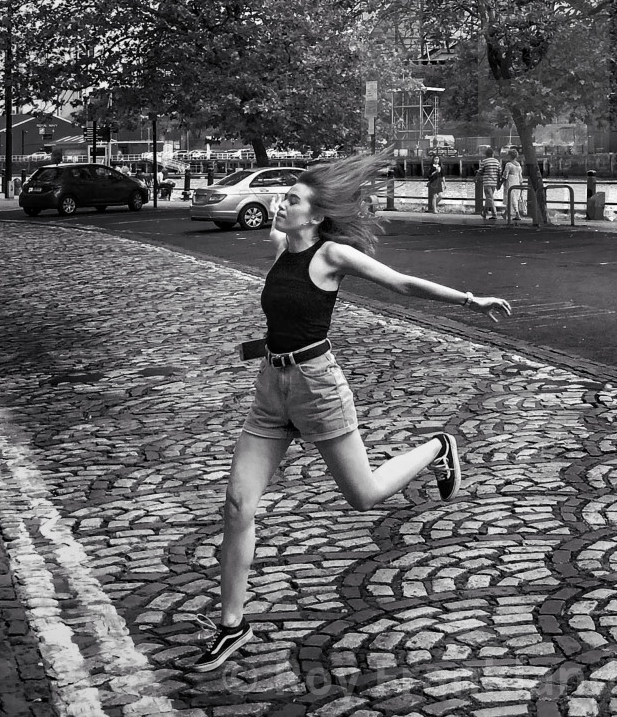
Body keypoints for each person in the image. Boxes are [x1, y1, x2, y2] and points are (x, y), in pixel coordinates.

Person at [190, 152, 512, 674]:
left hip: (318, 387)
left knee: (363, 495)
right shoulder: (278, 246)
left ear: (315, 215)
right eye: (282, 196)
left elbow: (402, 283)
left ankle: (438, 447)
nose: (280, 203)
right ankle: (232, 624)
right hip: (272, 387)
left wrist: (470, 299)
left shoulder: (332, 255)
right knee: (236, 505)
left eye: (291, 199)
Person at [478, 147, 501, 223]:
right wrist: (499, 183)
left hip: (487, 182)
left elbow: (481, 171)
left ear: (486, 154)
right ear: (493, 154)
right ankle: (484, 213)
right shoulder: (497, 162)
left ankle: (494, 214)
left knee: (490, 198)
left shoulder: (484, 161)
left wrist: (476, 177)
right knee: (489, 198)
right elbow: (499, 172)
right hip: (494, 182)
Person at [500, 149, 524, 222]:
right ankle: (505, 213)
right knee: (513, 198)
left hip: (510, 182)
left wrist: (500, 183)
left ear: (510, 156)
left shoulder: (509, 164)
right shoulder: (519, 165)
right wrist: (521, 184)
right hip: (517, 182)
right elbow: (520, 176)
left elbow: (505, 175)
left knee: (511, 198)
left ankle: (517, 214)